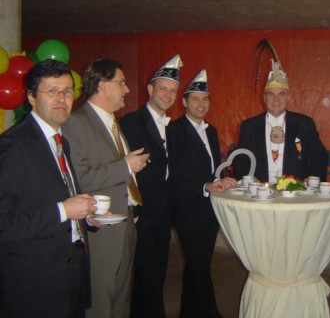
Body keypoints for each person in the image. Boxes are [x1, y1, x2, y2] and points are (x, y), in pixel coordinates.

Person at [0, 60, 98, 318]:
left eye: (67, 91)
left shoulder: (60, 141)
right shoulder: (11, 147)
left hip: (72, 273)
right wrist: (63, 211)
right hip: (34, 285)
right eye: (52, 91)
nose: (61, 98)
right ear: (32, 97)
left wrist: (86, 215)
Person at [63, 59, 150, 318]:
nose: (127, 89)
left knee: (119, 299)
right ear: (102, 85)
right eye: (121, 83)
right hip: (101, 228)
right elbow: (79, 178)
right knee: (100, 301)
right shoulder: (76, 122)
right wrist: (126, 166)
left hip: (125, 222)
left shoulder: (112, 122)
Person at [167, 69, 237, 318]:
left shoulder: (211, 130)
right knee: (198, 266)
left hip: (209, 208)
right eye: (195, 99)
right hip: (186, 208)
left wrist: (219, 180)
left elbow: (209, 169)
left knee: (199, 264)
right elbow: (177, 170)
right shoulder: (174, 130)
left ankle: (188, 313)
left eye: (205, 99)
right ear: (184, 102)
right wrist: (206, 185)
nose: (201, 104)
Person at [120, 55, 182, 318]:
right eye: (163, 88)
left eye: (173, 91)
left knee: (153, 276)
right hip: (143, 214)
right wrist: (132, 209)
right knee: (150, 277)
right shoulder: (130, 123)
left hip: (163, 214)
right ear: (150, 89)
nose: (167, 95)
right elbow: (124, 171)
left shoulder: (173, 128)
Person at [234, 60, 327, 183]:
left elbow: (320, 156)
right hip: (259, 190)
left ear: (289, 97)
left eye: (281, 94)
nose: (276, 100)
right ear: (264, 98)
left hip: (295, 190)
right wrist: (248, 178)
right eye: (271, 94)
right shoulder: (249, 126)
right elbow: (240, 158)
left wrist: (312, 179)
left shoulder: (304, 124)